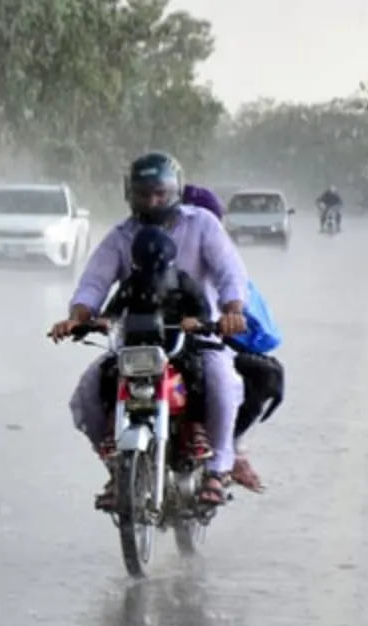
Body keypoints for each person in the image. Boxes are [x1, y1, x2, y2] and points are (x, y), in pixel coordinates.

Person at [50, 152, 249, 508]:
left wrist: (232, 311)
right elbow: (94, 284)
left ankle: (218, 470)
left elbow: (229, 272)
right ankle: (117, 469)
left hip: (196, 338)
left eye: (159, 192)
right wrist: (80, 317)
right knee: (88, 391)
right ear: (130, 193)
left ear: (175, 190)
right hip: (136, 343)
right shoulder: (121, 235)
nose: (152, 201)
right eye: (143, 193)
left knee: (220, 381)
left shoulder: (202, 223)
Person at [182, 183, 284, 493]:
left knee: (265, 375)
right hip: (164, 344)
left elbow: (256, 326)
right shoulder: (149, 250)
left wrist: (230, 319)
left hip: (209, 342)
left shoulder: (225, 264)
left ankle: (229, 447)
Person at [94, 226, 214, 467]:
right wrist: (104, 321)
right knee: (108, 372)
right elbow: (113, 310)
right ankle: (111, 426)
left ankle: (196, 428)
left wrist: (195, 321)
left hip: (174, 349)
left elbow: (203, 311)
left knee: (195, 371)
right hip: (135, 350)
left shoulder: (183, 281)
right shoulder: (131, 284)